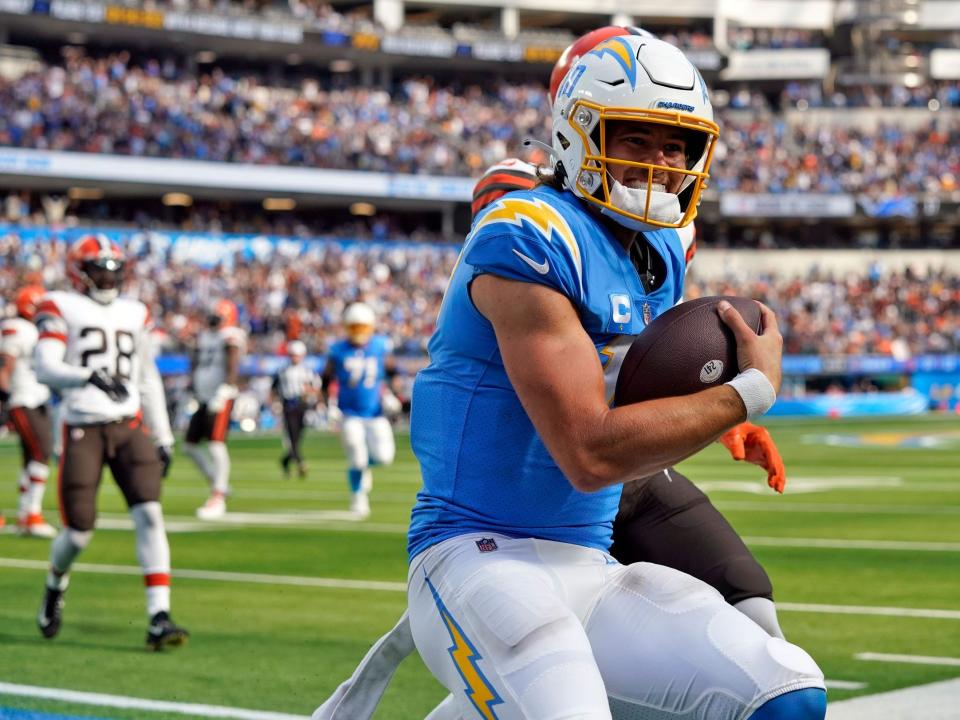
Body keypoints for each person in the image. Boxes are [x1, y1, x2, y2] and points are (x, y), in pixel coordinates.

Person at [315, 30, 793, 720]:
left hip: (589, 556)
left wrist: (720, 419)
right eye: (635, 139)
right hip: (481, 551)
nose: (661, 164)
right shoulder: (527, 234)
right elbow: (590, 449)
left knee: (786, 690)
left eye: (675, 146)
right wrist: (745, 394)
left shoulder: (656, 249)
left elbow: (628, 383)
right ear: (579, 133)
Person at [33, 234, 187, 650]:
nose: (108, 276)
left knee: (150, 515)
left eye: (115, 269)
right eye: (100, 268)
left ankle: (159, 615)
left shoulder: (135, 312)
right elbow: (44, 366)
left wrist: (164, 434)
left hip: (129, 423)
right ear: (79, 272)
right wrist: (86, 376)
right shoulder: (60, 305)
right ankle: (54, 583)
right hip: (83, 423)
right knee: (79, 532)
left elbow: (146, 375)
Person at [321, 302, 400, 519]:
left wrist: (393, 395)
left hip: (375, 413)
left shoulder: (380, 345)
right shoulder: (337, 350)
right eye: (354, 328)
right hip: (349, 413)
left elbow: (392, 372)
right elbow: (326, 379)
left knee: (384, 457)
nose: (358, 333)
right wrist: (329, 405)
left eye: (362, 328)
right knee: (356, 458)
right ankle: (358, 497)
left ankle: (365, 466)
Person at [0, 284, 56, 538]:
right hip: (22, 398)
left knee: (31, 456)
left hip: (36, 397)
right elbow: (5, 365)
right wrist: (4, 395)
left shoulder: (35, 330)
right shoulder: (18, 329)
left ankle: (26, 514)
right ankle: (31, 514)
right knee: (41, 451)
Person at [184, 299, 245, 520]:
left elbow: (232, 361)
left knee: (216, 445)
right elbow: (197, 362)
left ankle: (217, 497)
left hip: (220, 395)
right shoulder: (205, 335)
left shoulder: (230, 335)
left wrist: (227, 388)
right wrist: (192, 387)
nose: (212, 319)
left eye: (216, 316)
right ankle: (219, 484)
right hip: (203, 395)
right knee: (189, 446)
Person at [273, 340, 319, 479]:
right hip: (288, 405)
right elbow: (275, 388)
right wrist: (275, 402)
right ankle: (301, 462)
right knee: (292, 435)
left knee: (298, 437)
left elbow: (315, 388)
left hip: (302, 405)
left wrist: (309, 393)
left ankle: (285, 461)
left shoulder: (307, 371)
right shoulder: (283, 371)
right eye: (292, 355)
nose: (294, 358)